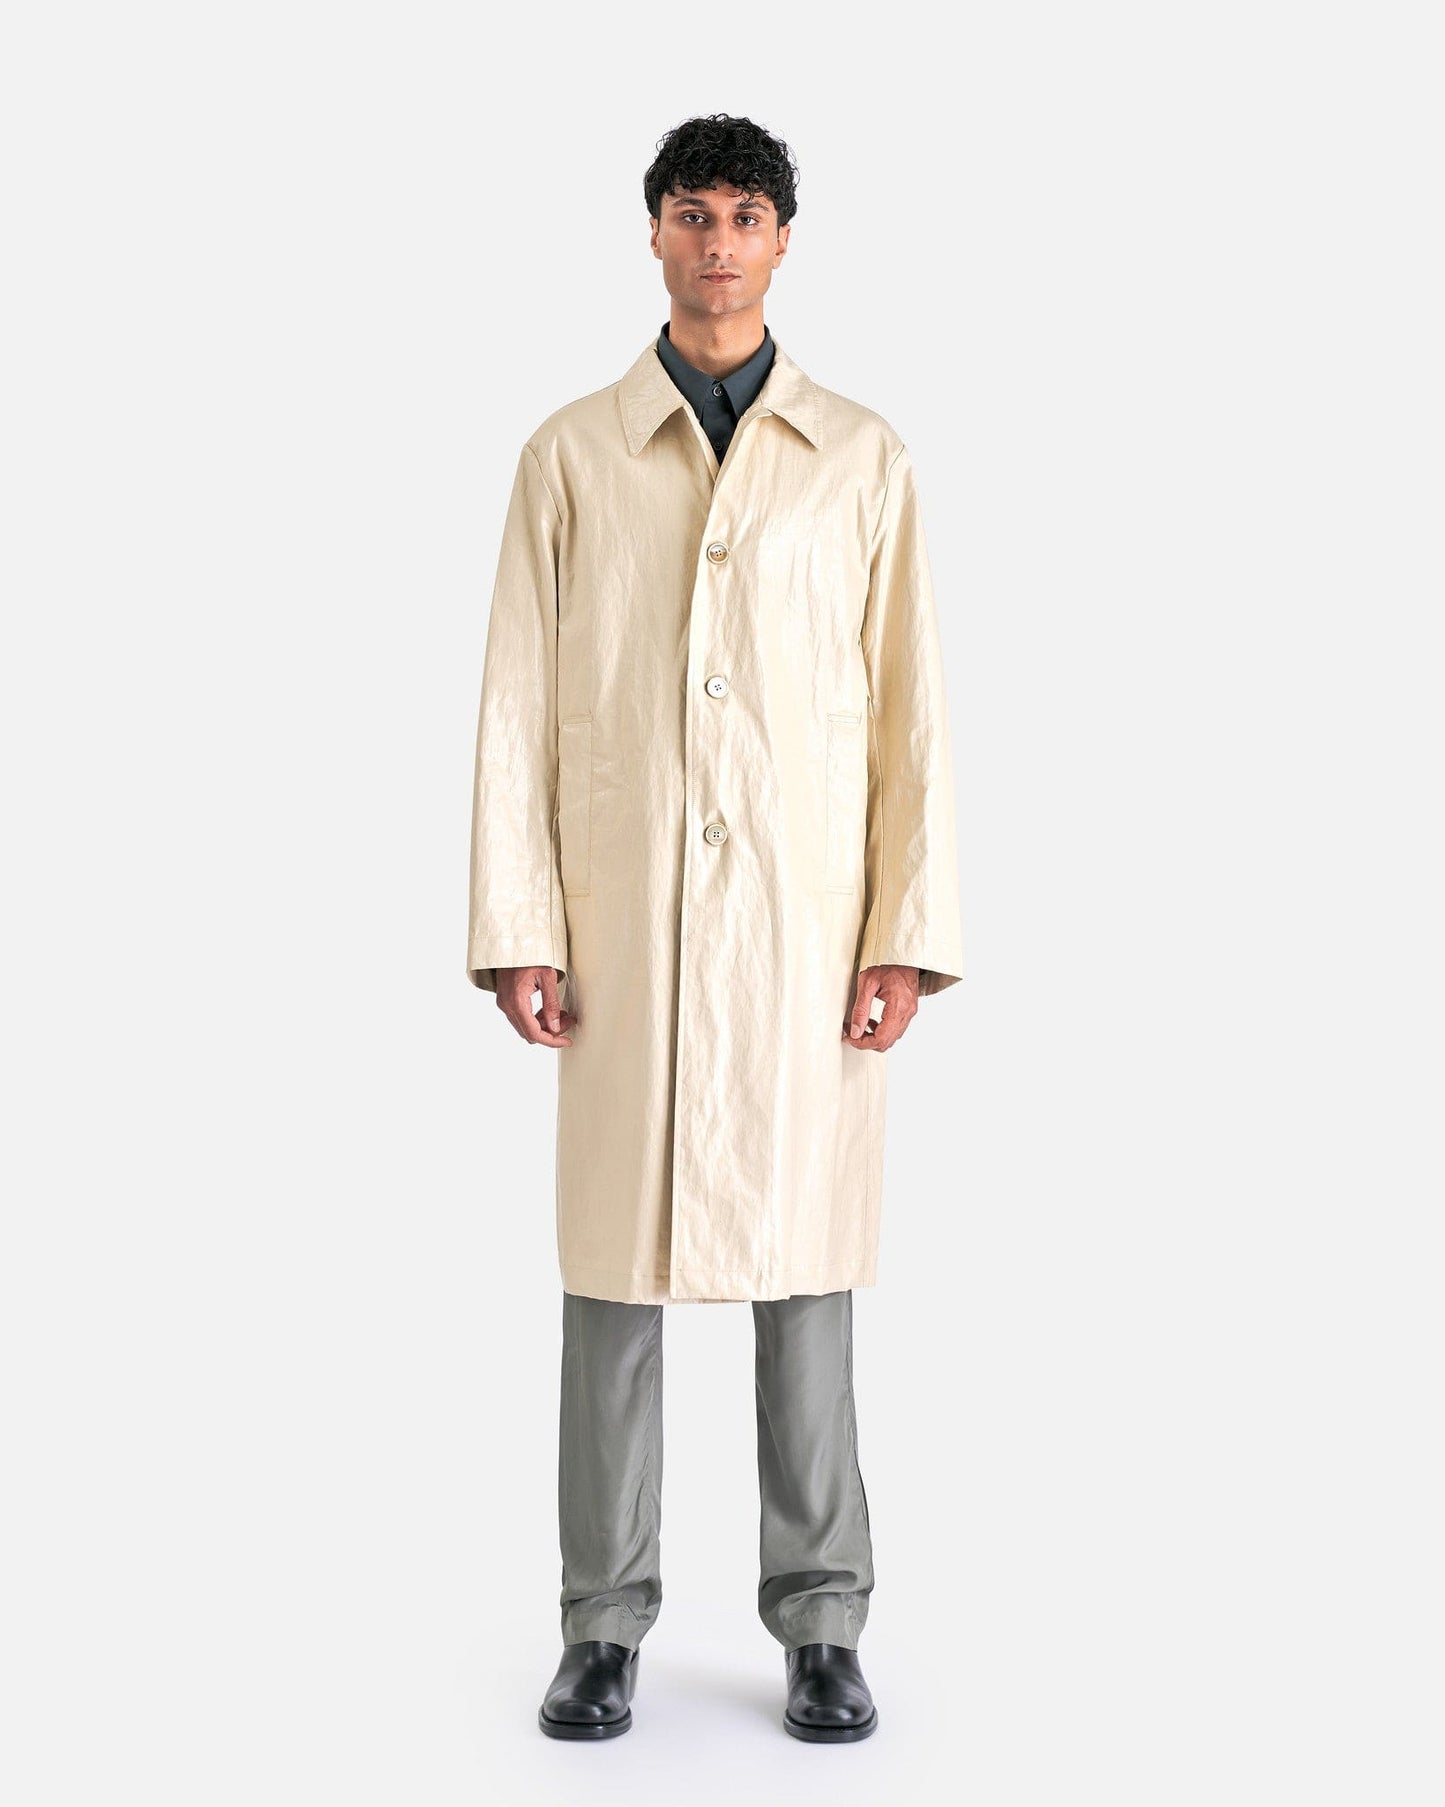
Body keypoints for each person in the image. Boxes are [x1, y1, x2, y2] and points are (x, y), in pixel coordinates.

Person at [466, 112, 964, 1742]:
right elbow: (517, 704)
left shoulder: (862, 458)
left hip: (804, 935)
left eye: (746, 215)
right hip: (623, 930)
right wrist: (519, 920)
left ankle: (821, 1622)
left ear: (784, 240)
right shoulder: (569, 454)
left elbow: (909, 715)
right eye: (692, 213)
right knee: (610, 1286)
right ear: (653, 233)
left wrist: (901, 928)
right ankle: (601, 1622)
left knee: (805, 1277)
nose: (718, 244)